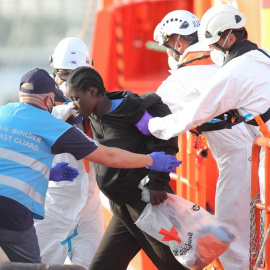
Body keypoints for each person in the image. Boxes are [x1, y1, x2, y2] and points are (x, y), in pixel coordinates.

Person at [0, 68, 181, 264]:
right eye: (62, 99)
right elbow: (107, 155)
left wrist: (48, 173)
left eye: (75, 99)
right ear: (46, 99)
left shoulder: (3, 112)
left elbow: (16, 156)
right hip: (17, 210)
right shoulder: (63, 123)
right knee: (33, 266)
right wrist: (152, 160)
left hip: (136, 204)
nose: (72, 105)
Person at [136, 7, 259, 270]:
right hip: (255, 150)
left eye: (168, 46)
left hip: (239, 159)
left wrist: (152, 125)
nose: (169, 53)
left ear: (178, 43)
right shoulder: (229, 63)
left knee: (231, 234)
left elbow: (159, 112)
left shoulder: (181, 79)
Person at [65, 66, 186, 270]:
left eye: (76, 98)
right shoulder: (93, 114)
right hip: (122, 208)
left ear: (93, 92)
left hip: (146, 203)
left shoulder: (131, 111)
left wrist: (158, 182)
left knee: (173, 266)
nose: (73, 105)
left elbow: (164, 140)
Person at [34, 37, 104, 269]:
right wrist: (74, 107)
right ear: (54, 73)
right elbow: (45, 122)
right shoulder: (44, 104)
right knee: (36, 262)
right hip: (53, 202)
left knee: (91, 263)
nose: (71, 82)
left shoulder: (97, 103)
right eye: (65, 74)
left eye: (77, 74)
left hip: (89, 202)